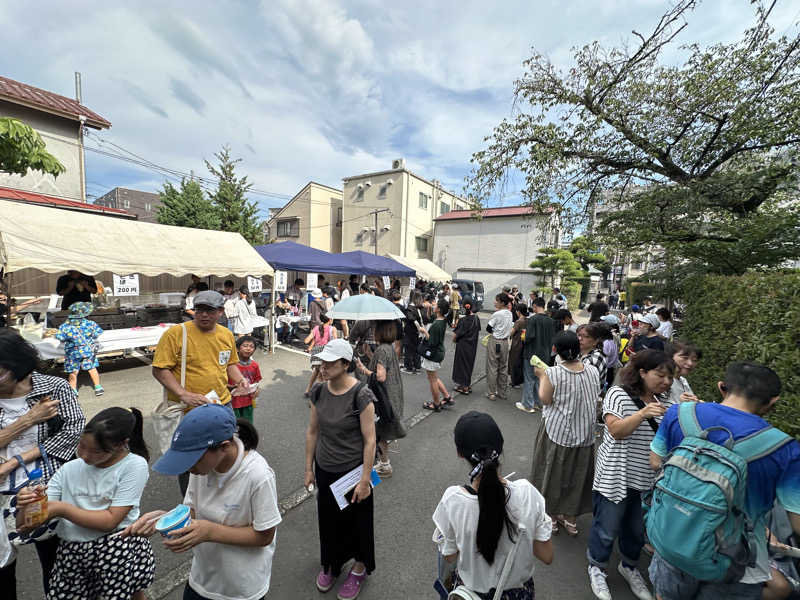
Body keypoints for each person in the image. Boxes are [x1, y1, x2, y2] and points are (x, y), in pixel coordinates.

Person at [649, 362, 800, 600]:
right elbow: (797, 523)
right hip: (735, 560)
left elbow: (656, 461)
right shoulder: (784, 448)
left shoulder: (679, 414)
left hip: (674, 536)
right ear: (773, 402)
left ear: (722, 387)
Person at [125, 404, 281, 600]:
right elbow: (192, 511)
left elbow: (265, 536)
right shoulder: (201, 468)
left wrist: (209, 531)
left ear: (224, 446)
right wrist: (162, 519)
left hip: (240, 588)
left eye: (192, 460)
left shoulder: (258, 476)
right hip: (202, 579)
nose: (188, 468)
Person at [17, 407, 154, 600]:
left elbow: (110, 521)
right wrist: (27, 505)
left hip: (116, 549)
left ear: (122, 444)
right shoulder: (69, 469)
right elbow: (24, 527)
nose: (85, 455)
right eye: (81, 445)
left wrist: (61, 509)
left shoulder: (134, 465)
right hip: (72, 551)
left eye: (97, 451)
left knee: (128, 595)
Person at [0, 329, 86, 598]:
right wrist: (27, 420)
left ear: (17, 365)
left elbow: (74, 433)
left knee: (55, 561)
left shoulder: (54, 388)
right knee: (2, 566)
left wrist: (17, 460)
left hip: (43, 485)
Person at [432, 411, 554, 599]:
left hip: (470, 594)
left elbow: (450, 556)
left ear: (459, 453)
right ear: (500, 447)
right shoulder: (527, 494)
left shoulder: (453, 501)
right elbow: (547, 555)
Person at [587, 350, 674, 600]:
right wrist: (642, 414)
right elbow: (615, 430)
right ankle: (597, 567)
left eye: (670, 377)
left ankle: (628, 567)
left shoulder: (663, 402)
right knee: (606, 527)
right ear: (642, 372)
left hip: (646, 478)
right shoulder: (618, 394)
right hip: (616, 474)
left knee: (636, 530)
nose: (666, 382)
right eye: (661, 375)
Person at [152, 290, 249, 495]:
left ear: (221, 312)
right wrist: (183, 393)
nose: (204, 315)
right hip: (189, 409)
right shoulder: (177, 333)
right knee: (190, 459)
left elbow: (230, 364)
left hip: (221, 405)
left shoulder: (225, 335)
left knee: (222, 452)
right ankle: (190, 504)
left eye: (210, 310)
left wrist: (241, 380)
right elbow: (159, 369)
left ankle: (220, 496)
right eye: (200, 310)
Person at [304, 339, 377, 599]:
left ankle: (359, 567)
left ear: (345, 364)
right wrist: (308, 469)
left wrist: (366, 479)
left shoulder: (362, 394)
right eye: (321, 362)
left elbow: (370, 440)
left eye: (329, 362)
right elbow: (313, 431)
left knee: (357, 523)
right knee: (329, 521)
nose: (322, 367)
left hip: (353, 472)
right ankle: (332, 564)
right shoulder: (318, 392)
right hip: (325, 468)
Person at [530, 331, 599, 537]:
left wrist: (542, 375)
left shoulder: (552, 373)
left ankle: (550, 516)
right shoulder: (593, 370)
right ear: (578, 350)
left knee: (552, 474)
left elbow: (545, 399)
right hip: (585, 434)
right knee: (577, 476)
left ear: (555, 351)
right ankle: (570, 519)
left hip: (557, 432)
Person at [356, 321, 405, 478]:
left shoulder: (382, 350)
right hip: (393, 395)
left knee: (380, 432)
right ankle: (382, 462)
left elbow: (380, 376)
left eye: (376, 329)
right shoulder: (388, 348)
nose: (374, 331)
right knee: (382, 431)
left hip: (384, 397)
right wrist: (370, 355)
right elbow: (383, 366)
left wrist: (363, 369)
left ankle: (384, 464)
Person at [55, 301, 105, 396]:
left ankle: (73, 390)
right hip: (87, 350)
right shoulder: (90, 323)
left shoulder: (65, 326)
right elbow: (96, 335)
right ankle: (98, 387)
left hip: (72, 352)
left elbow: (61, 338)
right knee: (92, 368)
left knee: (73, 371)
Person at [519, 298, 554, 413]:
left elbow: (528, 337)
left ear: (534, 306)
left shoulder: (533, 319)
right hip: (545, 354)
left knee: (529, 379)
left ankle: (528, 405)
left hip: (532, 353)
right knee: (539, 379)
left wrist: (523, 336)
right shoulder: (550, 320)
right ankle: (539, 403)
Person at [420, 299, 454, 412]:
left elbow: (431, 342)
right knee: (433, 377)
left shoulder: (437, 324)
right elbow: (431, 317)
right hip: (439, 352)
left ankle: (436, 403)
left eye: (435, 305)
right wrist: (429, 307)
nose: (433, 305)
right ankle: (446, 396)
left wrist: (424, 331)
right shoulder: (442, 320)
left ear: (439, 309)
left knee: (432, 380)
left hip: (433, 353)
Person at [485, 293, 513, 402]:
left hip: (495, 341)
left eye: (496, 300)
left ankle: (491, 393)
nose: (494, 302)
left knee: (492, 367)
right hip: (505, 342)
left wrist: (496, 332)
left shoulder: (497, 314)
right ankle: (502, 393)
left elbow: (488, 328)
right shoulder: (510, 314)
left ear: (501, 302)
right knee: (503, 367)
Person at [229, 336, 261, 423]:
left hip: (248, 401)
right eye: (245, 346)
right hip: (233, 402)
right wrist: (231, 387)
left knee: (247, 423)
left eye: (251, 346)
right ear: (238, 349)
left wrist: (257, 390)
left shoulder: (255, 365)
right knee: (234, 423)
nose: (248, 349)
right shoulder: (231, 366)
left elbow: (256, 382)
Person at [304, 313, 338, 397]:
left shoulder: (316, 328)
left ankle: (308, 390)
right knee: (321, 376)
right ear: (330, 319)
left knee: (316, 371)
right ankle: (316, 396)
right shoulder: (332, 329)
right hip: (325, 353)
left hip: (315, 354)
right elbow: (335, 342)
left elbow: (306, 340)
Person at [452, 299, 481, 395]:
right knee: (468, 365)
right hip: (472, 346)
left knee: (461, 365)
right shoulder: (476, 319)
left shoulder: (463, 320)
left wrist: (454, 340)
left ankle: (463, 387)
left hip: (462, 346)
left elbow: (456, 334)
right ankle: (467, 385)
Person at [665, 340, 701, 406]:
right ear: (670, 357)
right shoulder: (663, 382)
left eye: (694, 360)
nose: (690, 363)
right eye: (685, 358)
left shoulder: (683, 380)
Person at [576, 323, 608, 391]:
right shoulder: (581, 353)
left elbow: (579, 385)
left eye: (586, 336)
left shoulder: (593, 359)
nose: (580, 339)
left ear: (595, 341)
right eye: (578, 335)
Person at [401, 292, 424, 375]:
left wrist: (419, 328)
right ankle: (417, 366)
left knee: (408, 350)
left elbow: (411, 319)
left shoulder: (410, 308)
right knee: (416, 350)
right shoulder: (418, 308)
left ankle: (409, 367)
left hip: (411, 332)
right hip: (417, 333)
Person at [508, 303, 529, 389]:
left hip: (517, 344)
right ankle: (519, 381)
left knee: (514, 362)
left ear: (519, 312)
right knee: (520, 362)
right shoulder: (528, 320)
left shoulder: (519, 321)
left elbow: (511, 332)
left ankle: (515, 382)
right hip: (524, 344)